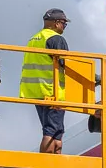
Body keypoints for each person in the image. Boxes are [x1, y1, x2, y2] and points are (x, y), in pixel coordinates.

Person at [20, 8, 70, 154]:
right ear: (56, 23)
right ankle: (47, 166)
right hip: (52, 92)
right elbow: (67, 63)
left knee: (56, 131)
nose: (64, 27)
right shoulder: (55, 39)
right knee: (51, 131)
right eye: (64, 23)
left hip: (36, 92)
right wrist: (92, 78)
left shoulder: (34, 39)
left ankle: (54, 163)